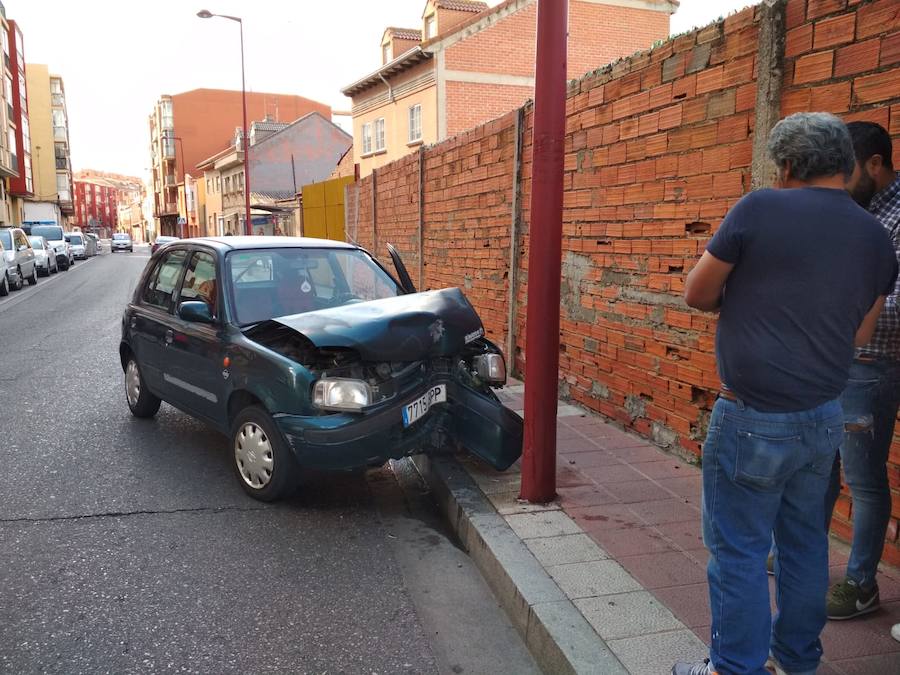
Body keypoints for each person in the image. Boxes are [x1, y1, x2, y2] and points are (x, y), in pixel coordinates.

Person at [672, 112, 897, 675]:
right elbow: (862, 334)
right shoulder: (876, 235)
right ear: (846, 165)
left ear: (789, 164)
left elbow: (697, 293)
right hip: (825, 415)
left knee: (740, 552)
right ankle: (797, 662)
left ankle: (734, 669)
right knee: (805, 545)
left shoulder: (758, 209)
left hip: (752, 415)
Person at [823, 122, 900, 621]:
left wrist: (835, 308)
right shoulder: (856, 211)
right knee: (819, 463)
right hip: (832, 361)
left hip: (872, 364)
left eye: (844, 170)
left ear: (874, 164)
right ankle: (800, 552)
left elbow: (894, 307)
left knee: (864, 479)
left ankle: (861, 584)